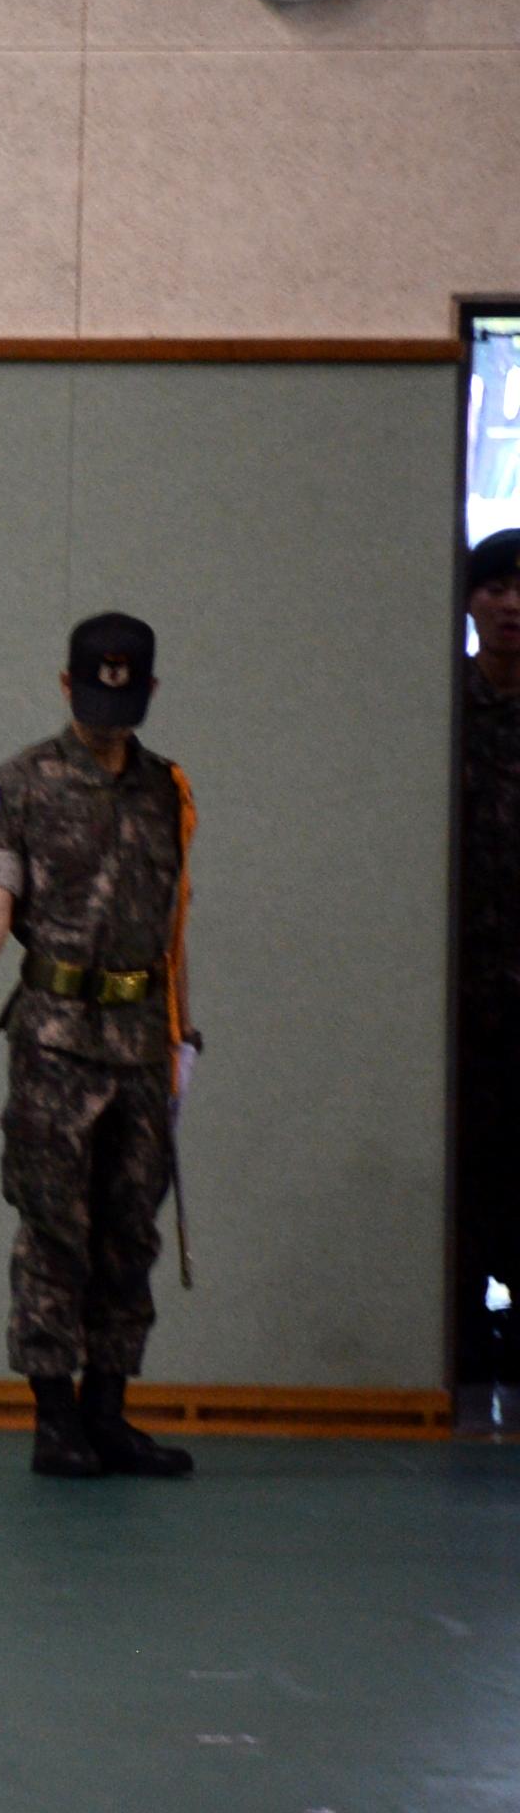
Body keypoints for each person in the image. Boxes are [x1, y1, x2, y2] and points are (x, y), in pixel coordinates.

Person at [0, 612, 200, 1479]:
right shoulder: (20, 784)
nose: (113, 712)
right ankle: (53, 1418)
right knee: (54, 1228)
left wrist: (185, 1033)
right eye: (97, 692)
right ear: (67, 685)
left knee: (128, 1231)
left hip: (143, 1039)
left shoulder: (169, 790)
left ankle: (108, 1408)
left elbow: (175, 919)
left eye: (131, 695)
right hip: (57, 1041)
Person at [456, 531, 520, 1384]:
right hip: (460, 991)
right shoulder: (438, 707)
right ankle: (461, 1335)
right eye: (496, 587)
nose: (512, 604)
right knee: (464, 1166)